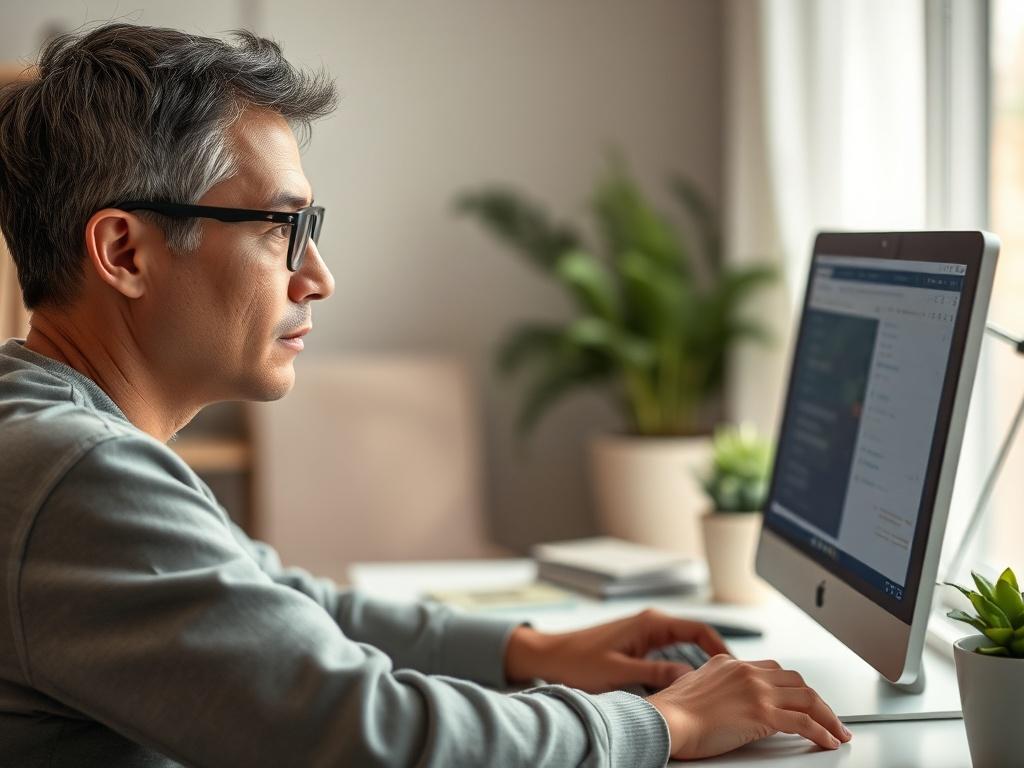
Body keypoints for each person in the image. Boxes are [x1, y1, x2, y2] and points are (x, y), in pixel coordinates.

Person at [0, 23, 851, 767]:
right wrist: (662, 723)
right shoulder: (77, 472)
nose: (318, 278)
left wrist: (532, 649)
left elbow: (281, 607)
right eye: (279, 229)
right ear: (125, 252)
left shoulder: (54, 436)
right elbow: (370, 736)